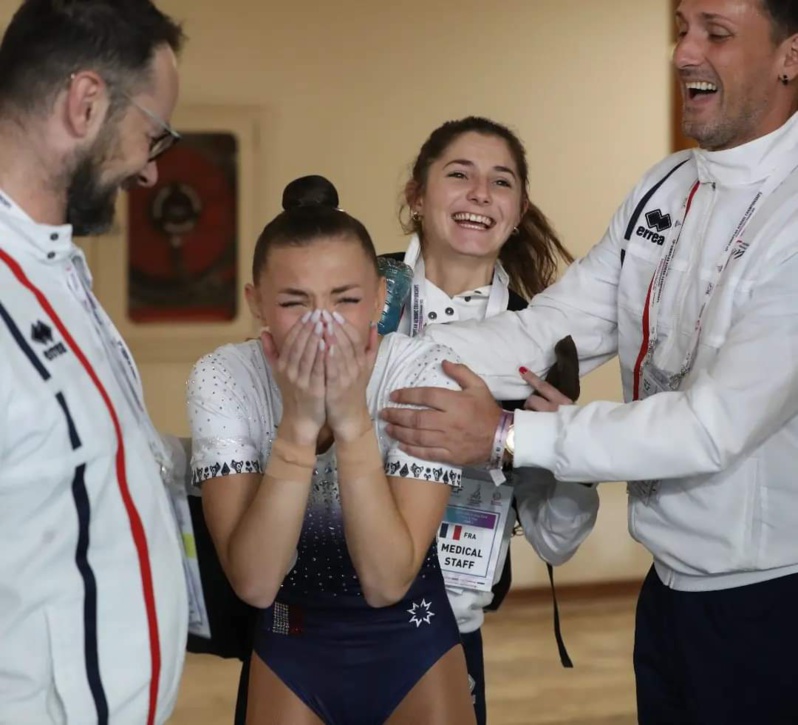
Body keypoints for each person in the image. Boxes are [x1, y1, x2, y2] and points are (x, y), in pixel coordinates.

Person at [381, 0, 798, 722]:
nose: (683, 54)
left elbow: (710, 426)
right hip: (666, 592)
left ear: (791, 56)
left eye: (716, 34)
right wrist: (365, 352)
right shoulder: (665, 187)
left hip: (770, 600)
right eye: (681, 29)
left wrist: (509, 438)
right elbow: (548, 329)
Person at [187, 177, 475, 725]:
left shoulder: (422, 370)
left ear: (381, 298)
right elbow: (254, 581)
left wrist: (351, 420)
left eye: (345, 300)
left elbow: (388, 579)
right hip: (290, 651)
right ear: (257, 302)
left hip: (414, 645)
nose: (323, 325)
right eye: (296, 302)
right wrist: (297, 427)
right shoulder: (225, 375)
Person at [0, 1, 188, 723]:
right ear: (86, 103)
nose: (148, 172)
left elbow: (92, 459)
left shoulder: (58, 270)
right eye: (153, 136)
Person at [389, 116, 599, 723]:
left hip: (449, 625)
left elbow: (558, 540)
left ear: (519, 207)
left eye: (500, 182)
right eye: (460, 174)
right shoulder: (356, 292)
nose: (481, 193)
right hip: (322, 613)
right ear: (417, 194)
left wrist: (563, 447)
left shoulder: (543, 348)